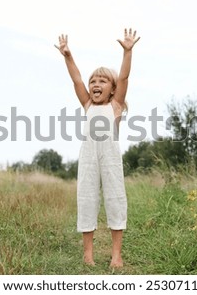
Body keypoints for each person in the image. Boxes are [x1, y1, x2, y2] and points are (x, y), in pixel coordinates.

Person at [55, 28, 140, 267]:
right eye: (94, 80)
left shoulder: (115, 105)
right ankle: (88, 255)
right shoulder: (87, 104)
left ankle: (116, 255)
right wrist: (68, 56)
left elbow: (123, 78)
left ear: (112, 89)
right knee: (87, 199)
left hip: (110, 158)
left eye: (102, 80)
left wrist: (127, 53)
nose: (95, 83)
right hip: (89, 158)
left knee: (115, 199)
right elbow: (76, 79)